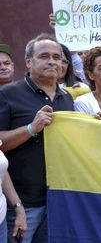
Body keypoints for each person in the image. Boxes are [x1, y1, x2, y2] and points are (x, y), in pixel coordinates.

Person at [0, 33, 74, 242]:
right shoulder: (8, 94)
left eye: (57, 57)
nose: (52, 61)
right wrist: (32, 128)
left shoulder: (67, 97)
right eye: (44, 56)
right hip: (22, 204)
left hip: (59, 200)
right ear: (28, 61)